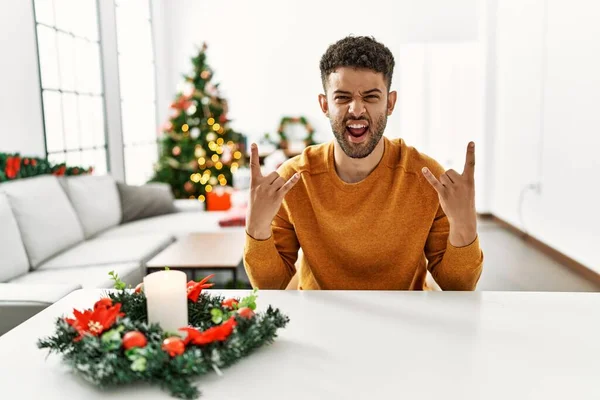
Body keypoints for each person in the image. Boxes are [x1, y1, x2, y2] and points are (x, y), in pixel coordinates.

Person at [243, 36, 483, 290]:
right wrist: (256, 226)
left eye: (370, 97)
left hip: (405, 320)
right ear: (324, 105)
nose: (356, 110)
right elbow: (269, 285)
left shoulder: (426, 177)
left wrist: (464, 225)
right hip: (320, 319)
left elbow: (459, 287)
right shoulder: (293, 178)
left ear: (390, 103)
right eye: (342, 97)